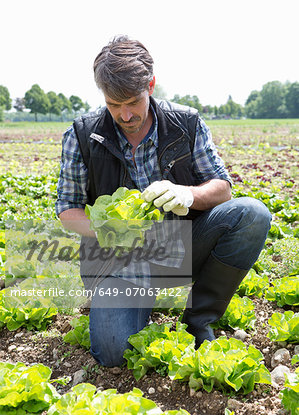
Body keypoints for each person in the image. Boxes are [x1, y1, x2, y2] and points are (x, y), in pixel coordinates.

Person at [56, 35, 272, 367]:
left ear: (151, 85)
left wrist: (189, 194)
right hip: (120, 264)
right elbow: (67, 210)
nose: (125, 115)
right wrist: (106, 231)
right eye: (114, 105)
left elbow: (222, 187)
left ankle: (199, 319)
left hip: (182, 245)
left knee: (251, 214)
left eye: (132, 102)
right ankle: (132, 301)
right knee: (114, 353)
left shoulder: (185, 123)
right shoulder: (82, 135)